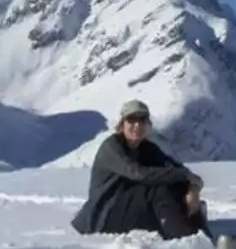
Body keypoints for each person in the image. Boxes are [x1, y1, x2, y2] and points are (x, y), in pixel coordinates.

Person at [71, 99, 211, 240]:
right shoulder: (112, 147)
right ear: (122, 125)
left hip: (128, 207)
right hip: (105, 213)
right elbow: (139, 174)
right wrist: (183, 176)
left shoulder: (147, 148)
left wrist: (192, 187)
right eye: (131, 120)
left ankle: (196, 231)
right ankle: (185, 237)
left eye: (142, 120)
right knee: (160, 188)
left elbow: (174, 168)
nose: (137, 125)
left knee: (177, 185)